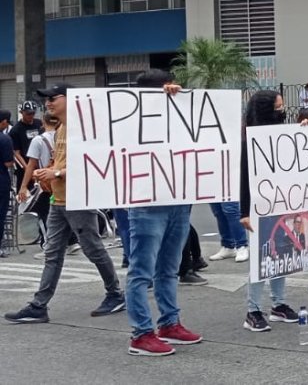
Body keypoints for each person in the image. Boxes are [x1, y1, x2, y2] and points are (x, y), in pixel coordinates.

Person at [4, 84, 125, 325]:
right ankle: (39, 305)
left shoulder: (83, 129)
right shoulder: (60, 128)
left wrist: (56, 174)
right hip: (58, 200)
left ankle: (115, 294)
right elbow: (62, 162)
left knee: (92, 249)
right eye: (46, 99)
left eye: (53, 98)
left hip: (77, 199)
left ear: (71, 99)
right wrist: (49, 172)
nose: (48, 103)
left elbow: (92, 163)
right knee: (52, 253)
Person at [122, 70, 205, 355]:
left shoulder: (181, 119)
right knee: (141, 271)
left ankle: (169, 324)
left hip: (179, 200)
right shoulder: (130, 119)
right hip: (146, 203)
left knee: (169, 269)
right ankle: (141, 334)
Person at [238, 90, 301, 331]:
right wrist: (244, 211)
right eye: (278, 107)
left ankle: (279, 304)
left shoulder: (282, 135)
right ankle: (252, 310)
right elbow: (244, 178)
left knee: (280, 254)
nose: (282, 112)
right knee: (259, 259)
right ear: (266, 110)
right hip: (257, 207)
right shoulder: (249, 141)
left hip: (280, 204)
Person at [16, 113, 58, 250]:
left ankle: (48, 243)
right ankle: (70, 241)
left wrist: (23, 186)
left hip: (46, 182)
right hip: (62, 181)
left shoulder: (38, 140)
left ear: (43, 123)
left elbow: (31, 165)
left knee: (42, 211)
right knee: (61, 212)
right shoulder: (63, 137)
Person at [0, 110, 12, 258]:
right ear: (3, 121)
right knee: (1, 214)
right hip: (1, 180)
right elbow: (8, 163)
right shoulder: (5, 139)